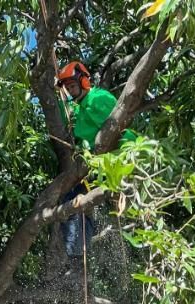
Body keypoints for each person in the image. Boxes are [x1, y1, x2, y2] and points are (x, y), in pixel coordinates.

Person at [55, 61, 136, 258]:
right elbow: (65, 116)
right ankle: (76, 256)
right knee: (72, 199)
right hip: (97, 165)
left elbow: (119, 128)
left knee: (74, 199)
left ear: (83, 82)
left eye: (72, 86)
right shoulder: (78, 109)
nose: (70, 91)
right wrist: (56, 90)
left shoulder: (98, 98)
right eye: (67, 88)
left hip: (117, 158)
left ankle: (76, 258)